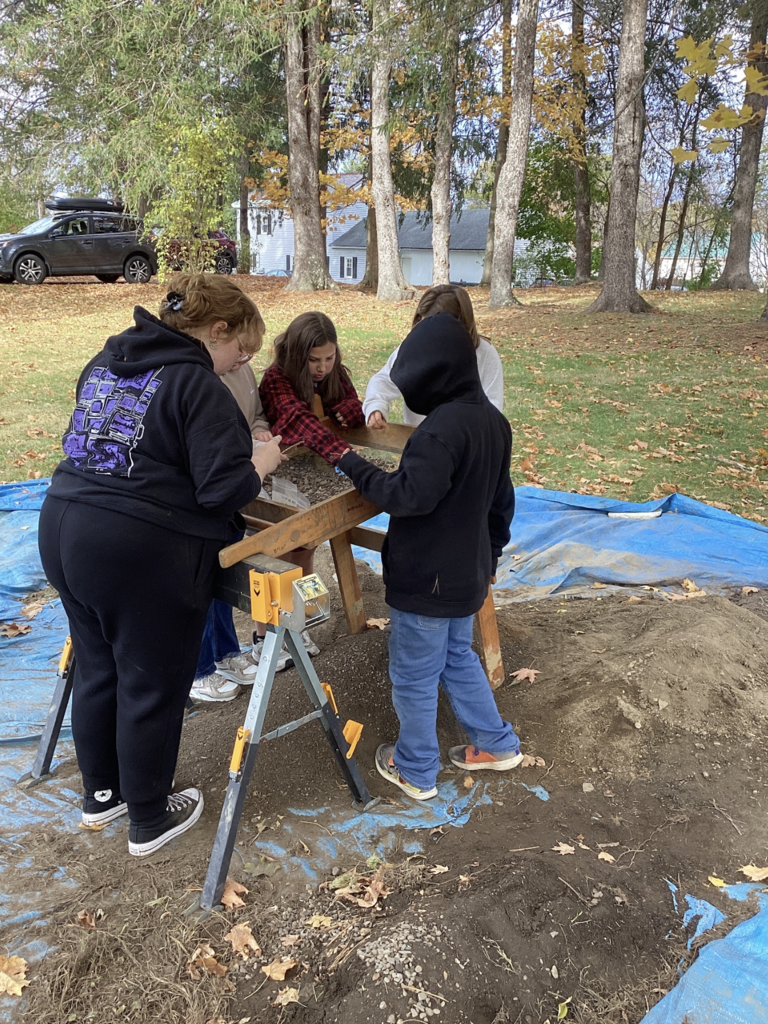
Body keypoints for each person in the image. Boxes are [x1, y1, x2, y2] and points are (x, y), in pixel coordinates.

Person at [37, 274, 284, 856]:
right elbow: (224, 490)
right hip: (139, 550)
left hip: (65, 527)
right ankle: (149, 817)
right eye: (238, 352)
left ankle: (103, 795)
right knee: (151, 680)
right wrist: (262, 463)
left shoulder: (109, 358)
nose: (236, 366)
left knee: (100, 668)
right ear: (214, 330)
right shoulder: (195, 383)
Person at [338, 312, 521, 801]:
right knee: (458, 656)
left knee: (414, 674)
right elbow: (502, 503)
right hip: (467, 575)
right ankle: (496, 743)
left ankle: (416, 767)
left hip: (427, 582)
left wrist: (352, 463)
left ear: (433, 376)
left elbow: (406, 497)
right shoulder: (493, 422)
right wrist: (490, 560)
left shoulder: (439, 432)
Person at [258, 311, 365, 663]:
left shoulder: (331, 372)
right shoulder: (276, 378)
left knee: (306, 547)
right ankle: (268, 635)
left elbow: (349, 402)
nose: (322, 368)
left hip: (316, 476)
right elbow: (299, 423)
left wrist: (347, 412)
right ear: (296, 355)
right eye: (314, 361)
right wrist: (344, 454)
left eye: (329, 359)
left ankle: (301, 620)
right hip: (278, 477)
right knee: (277, 553)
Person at [189, 358, 277, 702]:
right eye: (240, 348)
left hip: (229, 490)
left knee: (222, 580)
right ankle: (198, 672)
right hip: (204, 500)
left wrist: (257, 436)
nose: (244, 358)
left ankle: (225, 653)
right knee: (200, 590)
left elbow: (252, 416)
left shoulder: (240, 372)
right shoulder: (199, 381)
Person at [362, 284, 504, 429]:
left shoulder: (484, 354)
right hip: (420, 440)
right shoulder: (416, 348)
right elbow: (384, 379)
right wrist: (376, 406)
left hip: (464, 442)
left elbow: (493, 410)